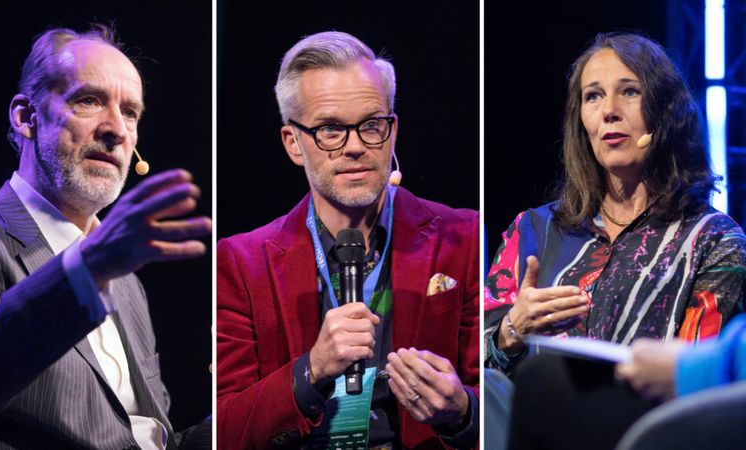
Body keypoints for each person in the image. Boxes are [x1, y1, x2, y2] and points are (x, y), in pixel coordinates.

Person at [0, 25, 212, 449]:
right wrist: (89, 268)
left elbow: (148, 437)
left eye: (130, 112)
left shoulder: (126, 283)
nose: (117, 130)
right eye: (89, 100)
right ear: (26, 117)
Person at [216, 31, 479, 449]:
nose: (356, 146)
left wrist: (464, 410)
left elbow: (501, 398)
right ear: (294, 144)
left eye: (372, 125)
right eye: (331, 130)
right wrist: (311, 370)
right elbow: (223, 430)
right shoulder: (240, 262)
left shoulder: (464, 238)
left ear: (392, 132)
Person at [483, 32, 746, 449]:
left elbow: (697, 375)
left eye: (629, 92)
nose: (609, 111)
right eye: (593, 96)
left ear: (666, 112)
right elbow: (474, 370)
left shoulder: (714, 240)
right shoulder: (532, 230)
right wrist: (512, 330)